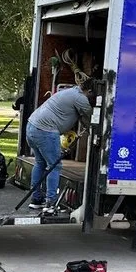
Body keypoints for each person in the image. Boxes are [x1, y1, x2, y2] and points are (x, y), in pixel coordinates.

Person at [26, 78, 95, 213]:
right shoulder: (80, 98)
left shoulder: (71, 92)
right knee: (54, 166)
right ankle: (51, 203)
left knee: (40, 163)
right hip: (45, 131)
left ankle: (36, 199)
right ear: (90, 91)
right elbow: (91, 118)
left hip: (32, 126)